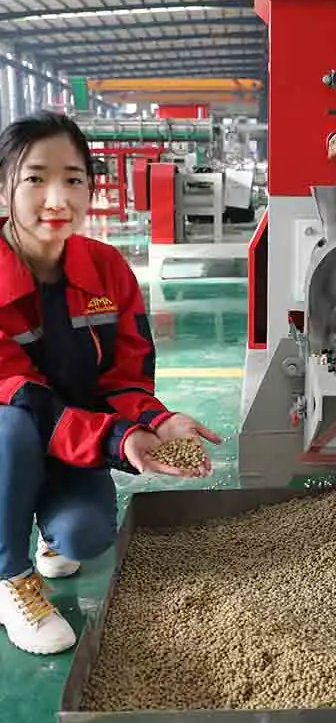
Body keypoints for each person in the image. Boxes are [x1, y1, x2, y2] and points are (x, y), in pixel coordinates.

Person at [0, 111, 221, 656]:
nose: (57, 198)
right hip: (15, 434)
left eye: (73, 179)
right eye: (35, 178)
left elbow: (126, 374)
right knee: (11, 429)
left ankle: (52, 535)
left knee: (85, 536)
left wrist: (155, 420)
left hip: (77, 434)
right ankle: (9, 574)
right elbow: (23, 399)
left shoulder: (106, 269)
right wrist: (117, 440)